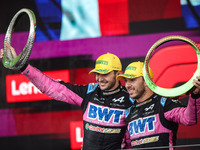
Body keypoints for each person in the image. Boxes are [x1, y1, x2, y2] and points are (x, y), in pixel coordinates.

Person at [0, 44, 132, 150]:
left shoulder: (130, 99)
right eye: (98, 73)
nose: (100, 78)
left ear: (118, 74)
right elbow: (51, 87)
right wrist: (23, 66)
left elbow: (134, 139)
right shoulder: (89, 93)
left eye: (105, 74)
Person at [116, 61, 200, 149]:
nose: (127, 85)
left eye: (132, 80)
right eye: (126, 81)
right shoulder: (129, 112)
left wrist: (195, 95)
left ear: (146, 81)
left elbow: (189, 119)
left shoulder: (164, 104)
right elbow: (128, 145)